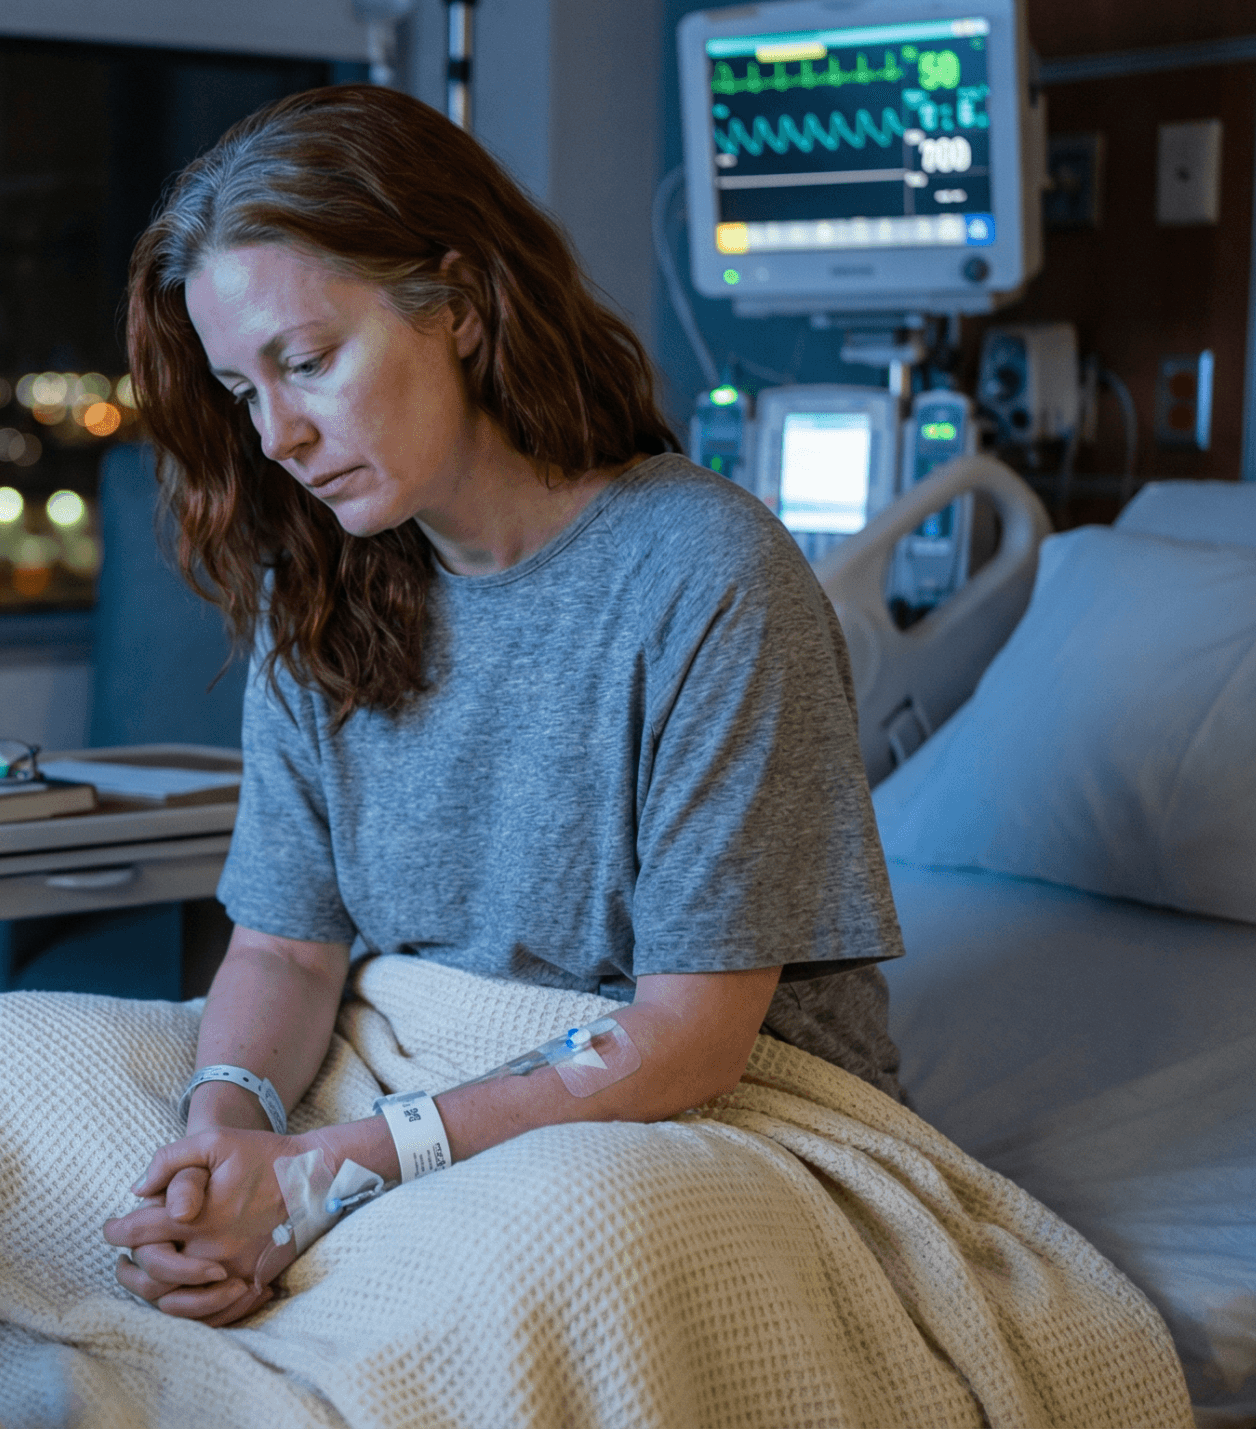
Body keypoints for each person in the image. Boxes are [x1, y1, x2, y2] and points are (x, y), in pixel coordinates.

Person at [93, 84, 906, 1326]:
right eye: (244, 392)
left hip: (708, 1112)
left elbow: (687, 1039)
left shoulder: (701, 575)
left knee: (548, 1243)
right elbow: (282, 948)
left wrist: (324, 1173)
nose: (278, 439)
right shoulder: (319, 588)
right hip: (424, 1061)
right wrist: (224, 1143)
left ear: (460, 307)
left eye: (307, 363)